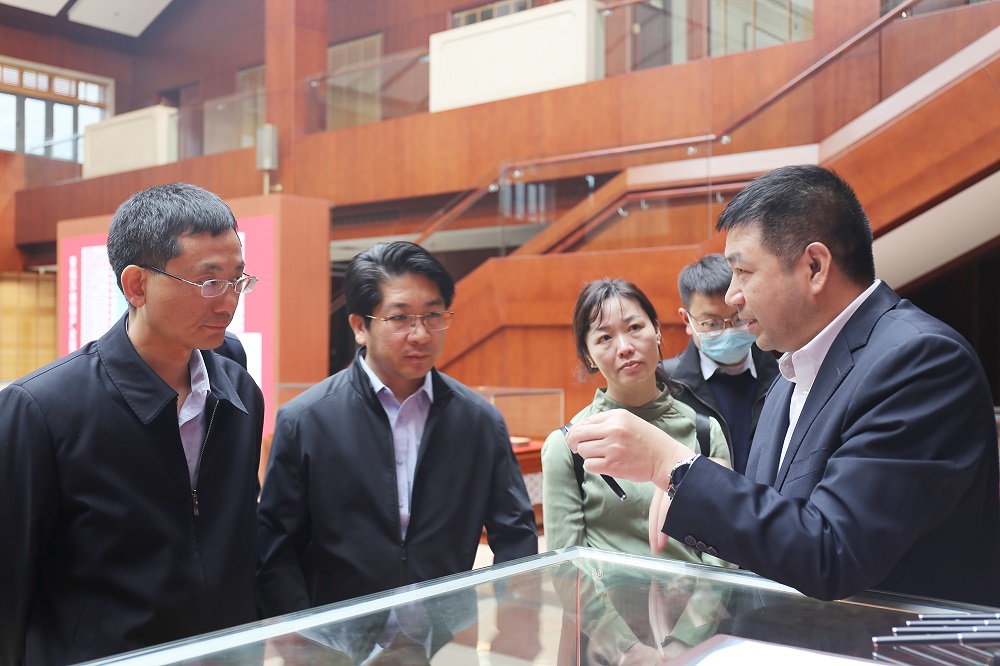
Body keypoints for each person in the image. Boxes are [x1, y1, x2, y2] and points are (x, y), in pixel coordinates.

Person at [566, 165, 1000, 607]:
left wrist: (671, 465)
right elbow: (778, 531)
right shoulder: (790, 372)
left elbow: (833, 551)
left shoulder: (920, 361)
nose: (733, 296)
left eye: (743, 272)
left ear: (814, 266)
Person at [0, 183, 265, 665]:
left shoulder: (240, 393)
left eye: (237, 280)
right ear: (137, 285)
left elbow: (243, 537)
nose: (228, 303)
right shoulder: (41, 408)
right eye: (208, 282)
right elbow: (10, 581)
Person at [255, 240, 537, 618]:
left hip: (443, 634)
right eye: (400, 318)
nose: (420, 334)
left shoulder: (479, 422)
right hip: (336, 635)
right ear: (360, 326)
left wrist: (514, 621)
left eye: (433, 315)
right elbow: (275, 546)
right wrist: (304, 634)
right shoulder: (306, 421)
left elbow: (515, 533)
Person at [542, 278, 733, 665]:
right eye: (604, 338)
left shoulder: (704, 431)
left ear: (657, 331)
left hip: (695, 623)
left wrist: (684, 641)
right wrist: (626, 650)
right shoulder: (567, 445)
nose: (625, 346)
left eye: (634, 327)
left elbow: (726, 549)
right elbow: (565, 565)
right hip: (606, 634)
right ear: (588, 356)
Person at [660, 254, 779, 474]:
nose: (728, 331)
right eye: (712, 323)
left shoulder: (785, 375)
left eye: (738, 318)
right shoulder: (667, 384)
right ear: (687, 320)